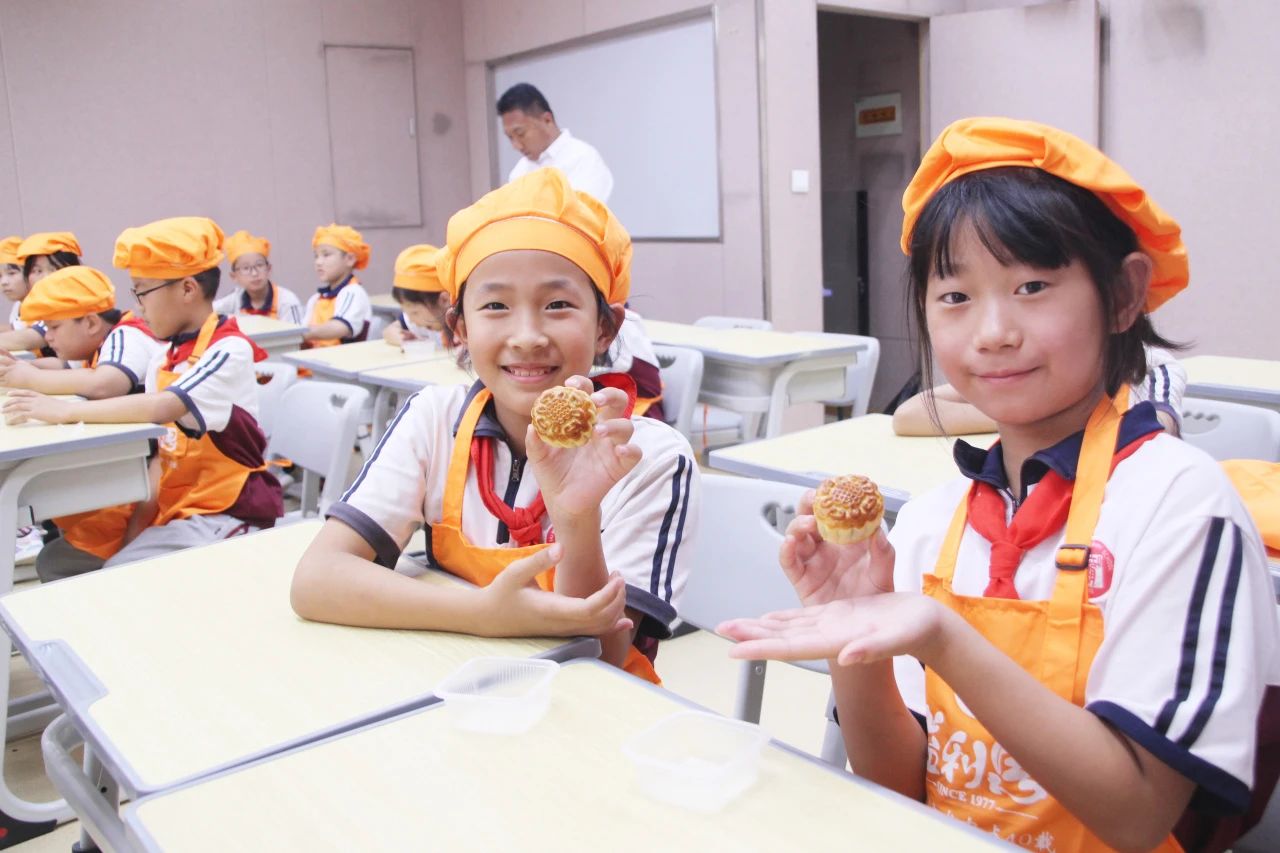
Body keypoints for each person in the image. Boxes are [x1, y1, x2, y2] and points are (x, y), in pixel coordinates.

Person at [718, 118, 1279, 852]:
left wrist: (943, 638)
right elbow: (900, 781)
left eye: (1033, 285)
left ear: (1122, 294)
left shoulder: (1182, 507)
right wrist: (857, 633)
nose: (992, 331)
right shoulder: (936, 519)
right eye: (954, 296)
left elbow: (1139, 814)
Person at [291, 168, 699, 684]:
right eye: (495, 306)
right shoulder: (433, 420)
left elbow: (603, 655)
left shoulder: (648, 457)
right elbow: (317, 581)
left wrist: (575, 516)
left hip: (594, 718)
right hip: (452, 688)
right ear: (459, 328)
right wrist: (483, 614)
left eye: (557, 305)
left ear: (605, 327)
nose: (526, 336)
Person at [4, 217, 283, 579]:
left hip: (227, 513)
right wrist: (136, 529)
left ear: (186, 289)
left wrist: (61, 412)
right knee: (108, 563)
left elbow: (164, 406)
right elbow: (160, 458)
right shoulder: (163, 357)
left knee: (121, 576)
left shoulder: (228, 348)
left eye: (142, 291)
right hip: (178, 509)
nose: (139, 306)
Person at [0, 265, 163, 569]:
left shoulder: (127, 335)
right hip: (132, 474)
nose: (47, 338)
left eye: (53, 328)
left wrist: (30, 379)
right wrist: (14, 372)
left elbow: (104, 383)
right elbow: (65, 370)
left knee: (53, 562)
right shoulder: (96, 345)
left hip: (154, 482)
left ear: (89, 322)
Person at [893, 346, 1187, 436]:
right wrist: (1020, 417)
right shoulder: (1023, 367)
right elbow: (908, 416)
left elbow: (1157, 432)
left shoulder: (1150, 366)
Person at [498, 83, 613, 203]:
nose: (516, 145)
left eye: (521, 133)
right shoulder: (519, 172)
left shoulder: (583, 158)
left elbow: (581, 214)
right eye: (510, 137)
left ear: (547, 120)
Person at [0, 231, 82, 355]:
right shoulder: (38, 305)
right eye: (37, 271)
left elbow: (32, 337)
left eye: (55, 269)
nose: (46, 277)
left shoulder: (75, 303)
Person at [213, 230, 304, 324]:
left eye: (259, 265)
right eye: (246, 268)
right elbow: (208, 312)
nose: (254, 273)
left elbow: (297, 335)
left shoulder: (287, 301)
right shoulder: (235, 299)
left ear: (269, 269)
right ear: (234, 276)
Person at [305, 224, 372, 348]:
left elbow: (341, 327)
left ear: (350, 259)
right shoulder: (315, 299)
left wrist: (302, 334)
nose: (318, 262)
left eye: (326, 255)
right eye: (316, 256)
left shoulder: (353, 292)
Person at [382, 243, 450, 349]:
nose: (412, 320)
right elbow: (389, 331)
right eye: (407, 313)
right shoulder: (421, 321)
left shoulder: (467, 325)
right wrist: (403, 339)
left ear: (445, 300)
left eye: (415, 312)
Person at [0, 235, 28, 332]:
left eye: (11, 273)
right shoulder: (17, 306)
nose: (4, 282)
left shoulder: (43, 303)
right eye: (0, 276)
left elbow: (24, 330)